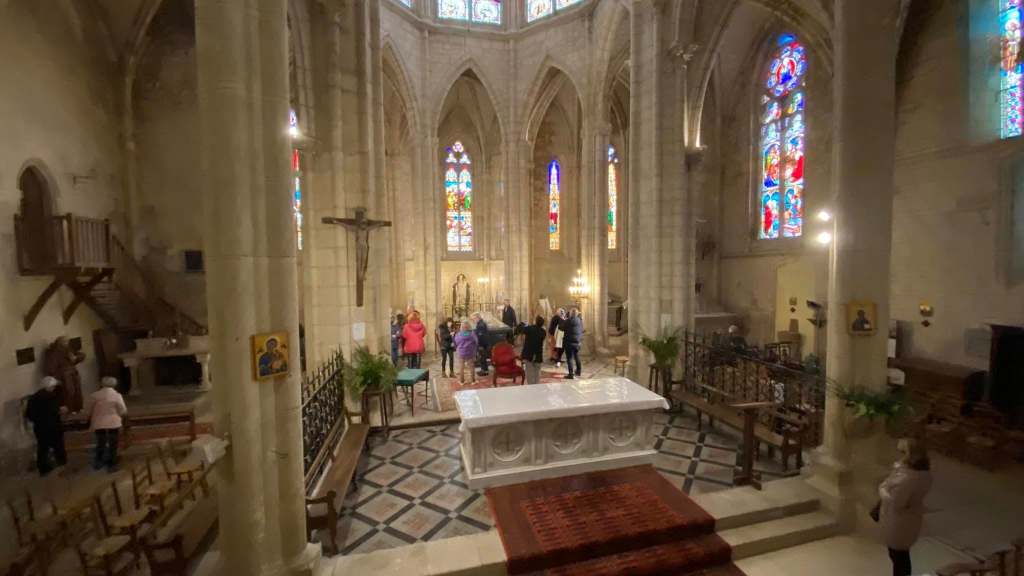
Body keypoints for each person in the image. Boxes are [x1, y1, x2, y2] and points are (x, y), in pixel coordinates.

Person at [878, 437, 933, 576]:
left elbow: (896, 503)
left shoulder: (908, 478)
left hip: (899, 522)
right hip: (909, 518)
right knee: (900, 555)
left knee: (898, 557)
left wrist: (882, 489)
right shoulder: (922, 473)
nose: (898, 456)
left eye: (902, 452)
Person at [25, 376, 67, 476]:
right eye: (53, 387)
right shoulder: (51, 397)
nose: (54, 388)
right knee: (58, 445)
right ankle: (61, 462)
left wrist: (38, 420)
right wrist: (61, 410)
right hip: (53, 426)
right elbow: (54, 411)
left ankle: (43, 468)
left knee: (42, 448)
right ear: (49, 387)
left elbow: (28, 415)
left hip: (39, 427)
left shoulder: (33, 398)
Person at [86, 377, 127, 472]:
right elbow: (123, 410)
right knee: (113, 443)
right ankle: (112, 463)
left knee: (100, 442)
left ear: (102, 384)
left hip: (99, 422)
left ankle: (98, 461)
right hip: (113, 423)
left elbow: (88, 410)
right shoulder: (117, 396)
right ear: (114, 384)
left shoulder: (95, 395)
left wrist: (89, 417)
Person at [43, 336, 85, 412]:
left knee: (77, 392)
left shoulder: (68, 349)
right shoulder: (53, 353)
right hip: (64, 377)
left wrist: (76, 357)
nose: (67, 343)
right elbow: (50, 368)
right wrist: (56, 379)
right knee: (69, 393)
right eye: (65, 342)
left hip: (73, 374)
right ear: (59, 343)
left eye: (67, 341)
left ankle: (78, 409)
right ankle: (70, 410)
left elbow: (82, 355)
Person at [521, 316, 547, 384]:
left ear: (535, 321)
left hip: (529, 354)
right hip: (538, 355)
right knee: (537, 373)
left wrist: (525, 325)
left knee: (529, 373)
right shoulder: (543, 332)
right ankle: (536, 387)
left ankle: (531, 387)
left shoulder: (529, 328)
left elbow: (522, 330)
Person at [561, 308, 584, 379]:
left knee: (569, 358)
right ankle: (578, 371)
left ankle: (571, 374)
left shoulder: (568, 320)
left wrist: (563, 320)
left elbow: (561, 328)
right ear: (577, 314)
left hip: (569, 342)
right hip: (577, 342)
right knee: (577, 356)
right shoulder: (580, 321)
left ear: (571, 313)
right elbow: (582, 330)